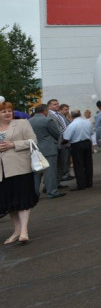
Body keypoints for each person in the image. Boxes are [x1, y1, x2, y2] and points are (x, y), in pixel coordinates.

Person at [0, 102, 39, 244]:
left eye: (9, 110)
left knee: (23, 199)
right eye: (3, 111)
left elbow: (33, 141)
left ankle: (24, 231)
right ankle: (17, 231)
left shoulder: (22, 123)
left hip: (20, 168)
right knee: (10, 203)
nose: (7, 113)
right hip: (2, 171)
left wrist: (13, 144)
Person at [29, 104, 64, 199]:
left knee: (36, 172)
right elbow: (56, 133)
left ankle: (34, 193)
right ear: (45, 111)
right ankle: (52, 191)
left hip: (35, 149)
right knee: (50, 172)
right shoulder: (47, 120)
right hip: (48, 148)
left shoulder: (29, 121)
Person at [62, 109, 94, 191]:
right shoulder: (87, 122)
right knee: (88, 163)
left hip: (77, 145)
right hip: (87, 142)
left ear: (71, 116)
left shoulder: (72, 125)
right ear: (80, 114)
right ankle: (89, 182)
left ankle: (81, 184)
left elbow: (66, 138)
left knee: (78, 165)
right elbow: (91, 133)